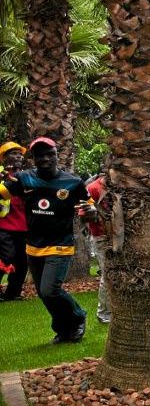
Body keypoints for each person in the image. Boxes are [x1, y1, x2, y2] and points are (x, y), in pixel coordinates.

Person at [0, 137, 95, 343]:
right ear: (33, 159)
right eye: (39, 155)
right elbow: (2, 193)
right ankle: (63, 330)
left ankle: (78, 317)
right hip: (33, 247)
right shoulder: (24, 178)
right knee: (44, 294)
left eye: (49, 154)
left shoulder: (73, 182)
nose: (45, 159)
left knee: (49, 290)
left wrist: (91, 210)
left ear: (56, 155)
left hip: (60, 245)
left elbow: (89, 207)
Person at [0, 142, 28, 301]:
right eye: (14, 153)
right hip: (3, 225)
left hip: (23, 225)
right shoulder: (1, 173)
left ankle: (13, 292)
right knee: (6, 256)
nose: (18, 156)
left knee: (22, 262)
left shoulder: (27, 175)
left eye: (20, 154)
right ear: (4, 158)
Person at [84, 174, 111, 323]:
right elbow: (83, 216)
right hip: (101, 236)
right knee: (107, 275)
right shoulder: (93, 188)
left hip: (121, 235)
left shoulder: (123, 185)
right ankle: (104, 313)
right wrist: (92, 213)